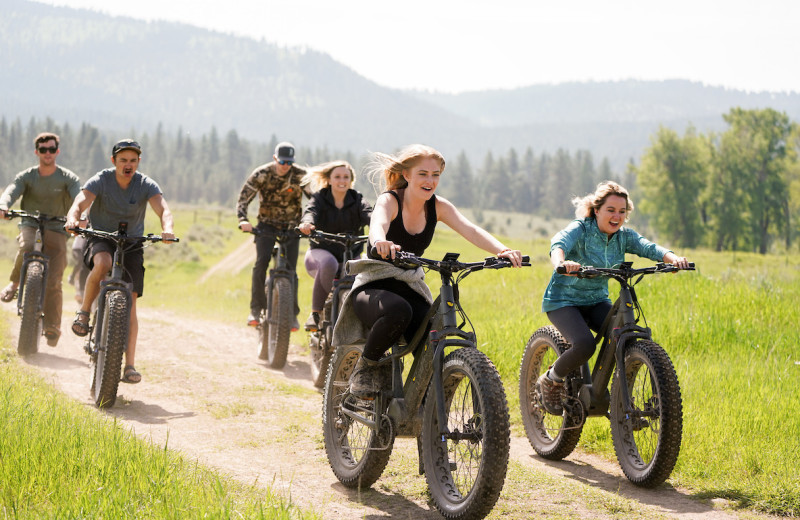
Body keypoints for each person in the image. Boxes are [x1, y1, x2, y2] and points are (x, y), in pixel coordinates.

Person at [332, 144, 522, 397]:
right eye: (422, 174)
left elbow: (471, 230)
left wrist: (502, 250)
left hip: (409, 286)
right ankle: (365, 368)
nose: (430, 181)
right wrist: (380, 241)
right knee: (399, 311)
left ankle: (423, 404)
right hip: (374, 285)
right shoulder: (390, 200)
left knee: (433, 333)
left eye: (435, 175)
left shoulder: (438, 207)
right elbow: (378, 222)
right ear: (407, 175)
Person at [537, 180, 690, 415]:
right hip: (563, 301)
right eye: (610, 210)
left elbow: (647, 247)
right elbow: (558, 243)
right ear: (597, 210)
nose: (616, 216)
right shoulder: (582, 228)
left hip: (597, 299)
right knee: (585, 344)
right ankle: (551, 379)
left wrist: (673, 258)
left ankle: (623, 403)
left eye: (622, 212)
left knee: (624, 338)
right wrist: (561, 263)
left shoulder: (623, 237)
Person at [65, 139, 175, 385]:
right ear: (113, 161)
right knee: (102, 263)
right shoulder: (101, 179)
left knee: (131, 302)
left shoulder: (145, 184)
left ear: (138, 162)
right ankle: (84, 313)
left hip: (132, 243)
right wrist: (73, 218)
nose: (128, 165)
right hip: (102, 237)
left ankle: (129, 365)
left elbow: (163, 209)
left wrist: (167, 228)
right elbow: (80, 202)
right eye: (123, 160)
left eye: (133, 161)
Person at [0, 132, 81, 347]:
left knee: (54, 279)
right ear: (36, 152)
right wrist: (4, 205)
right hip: (30, 223)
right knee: (26, 245)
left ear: (57, 151)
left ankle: (52, 325)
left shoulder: (68, 178)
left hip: (57, 227)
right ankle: (15, 282)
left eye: (52, 149)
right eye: (43, 149)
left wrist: (81, 215)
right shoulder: (28, 176)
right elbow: (11, 190)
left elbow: (79, 197)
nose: (48, 153)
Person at [236, 141, 311, 330]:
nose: (286, 166)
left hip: (293, 227)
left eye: (289, 163)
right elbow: (244, 198)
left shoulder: (300, 175)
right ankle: (255, 309)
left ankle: (292, 314)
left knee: (292, 270)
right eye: (282, 162)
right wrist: (243, 219)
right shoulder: (262, 174)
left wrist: (309, 221)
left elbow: (315, 199)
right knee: (261, 263)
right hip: (266, 226)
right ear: (275, 158)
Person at [297, 160, 372, 331]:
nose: (342, 180)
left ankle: (361, 326)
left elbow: (369, 214)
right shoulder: (320, 198)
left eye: (346, 177)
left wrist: (381, 224)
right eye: (337, 177)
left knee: (362, 274)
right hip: (320, 253)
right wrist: (307, 224)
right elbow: (310, 211)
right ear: (329, 180)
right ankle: (315, 314)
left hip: (350, 254)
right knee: (329, 263)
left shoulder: (357, 199)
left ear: (351, 180)